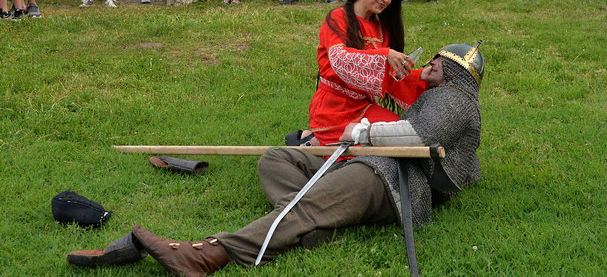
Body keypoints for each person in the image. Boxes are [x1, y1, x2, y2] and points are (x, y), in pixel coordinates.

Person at [66, 39, 483, 276]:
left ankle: (205, 254)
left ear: (457, 73)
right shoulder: (439, 97)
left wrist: (365, 131)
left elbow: (418, 137)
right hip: (375, 164)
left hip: (396, 182)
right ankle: (313, 225)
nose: (430, 63)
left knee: (308, 203)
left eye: (440, 61)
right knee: (277, 158)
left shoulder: (455, 101)